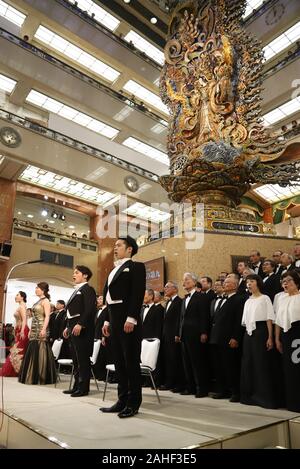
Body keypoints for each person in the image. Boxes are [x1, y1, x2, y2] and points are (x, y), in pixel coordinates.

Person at [100, 236, 146, 418]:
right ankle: (122, 400)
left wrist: (132, 318)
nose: (115, 248)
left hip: (127, 320)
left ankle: (133, 403)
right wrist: (106, 321)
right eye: (115, 245)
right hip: (113, 318)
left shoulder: (136, 267)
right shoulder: (113, 270)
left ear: (129, 249)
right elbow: (107, 300)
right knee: (119, 362)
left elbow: (137, 293)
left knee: (131, 362)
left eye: (119, 245)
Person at [240, 274, 280, 409]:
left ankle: (264, 397)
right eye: (247, 282)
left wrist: (270, 337)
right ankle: (251, 396)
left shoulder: (265, 298)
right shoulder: (248, 300)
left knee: (261, 363)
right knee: (249, 363)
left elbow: (269, 318)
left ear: (258, 283)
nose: (249, 284)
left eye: (252, 281)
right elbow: (245, 322)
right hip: (249, 333)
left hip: (261, 332)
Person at [62, 265, 97, 397]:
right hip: (73, 327)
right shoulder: (76, 290)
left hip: (83, 329)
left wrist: (81, 324)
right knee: (76, 360)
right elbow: (72, 312)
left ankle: (84, 388)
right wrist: (67, 327)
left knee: (83, 360)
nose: (74, 274)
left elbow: (89, 309)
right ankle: (76, 386)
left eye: (77, 272)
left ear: (85, 275)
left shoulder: (88, 289)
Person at [19, 283, 57, 384]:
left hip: (41, 327)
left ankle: (41, 376)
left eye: (37, 288)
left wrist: (44, 329)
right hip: (34, 327)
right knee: (33, 350)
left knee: (41, 349)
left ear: (43, 290)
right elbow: (35, 317)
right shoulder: (38, 301)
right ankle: (31, 374)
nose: (36, 290)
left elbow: (47, 316)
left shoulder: (46, 301)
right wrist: (31, 329)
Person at [275, 271, 300, 412]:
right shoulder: (281, 299)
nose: (285, 283)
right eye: (283, 281)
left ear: (296, 282)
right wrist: (277, 339)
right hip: (286, 335)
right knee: (289, 369)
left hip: (298, 333)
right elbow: (278, 321)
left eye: (289, 280)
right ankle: (293, 402)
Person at [0, 291, 29, 377]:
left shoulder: (22, 306)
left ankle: (19, 370)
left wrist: (23, 331)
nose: (15, 297)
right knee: (17, 350)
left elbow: (24, 320)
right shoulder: (20, 306)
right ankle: (17, 370)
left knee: (18, 351)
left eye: (17, 295)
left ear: (22, 297)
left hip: (23, 330)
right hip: (19, 329)